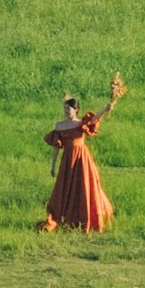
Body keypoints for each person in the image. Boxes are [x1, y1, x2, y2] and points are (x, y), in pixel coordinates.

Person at [38, 74, 125, 234]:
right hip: (67, 160)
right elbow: (56, 148)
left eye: (69, 109)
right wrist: (52, 166)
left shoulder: (81, 123)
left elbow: (95, 118)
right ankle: (63, 217)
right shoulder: (59, 125)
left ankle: (85, 218)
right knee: (64, 189)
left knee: (85, 187)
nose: (66, 111)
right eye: (65, 109)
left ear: (76, 110)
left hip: (82, 159)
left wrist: (106, 108)